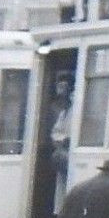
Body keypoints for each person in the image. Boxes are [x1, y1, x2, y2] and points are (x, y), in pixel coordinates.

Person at [47, 74, 73, 205]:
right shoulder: (63, 112)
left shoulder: (75, 110)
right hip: (62, 156)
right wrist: (59, 140)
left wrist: (67, 140)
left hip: (72, 155)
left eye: (64, 86)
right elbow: (56, 132)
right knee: (61, 192)